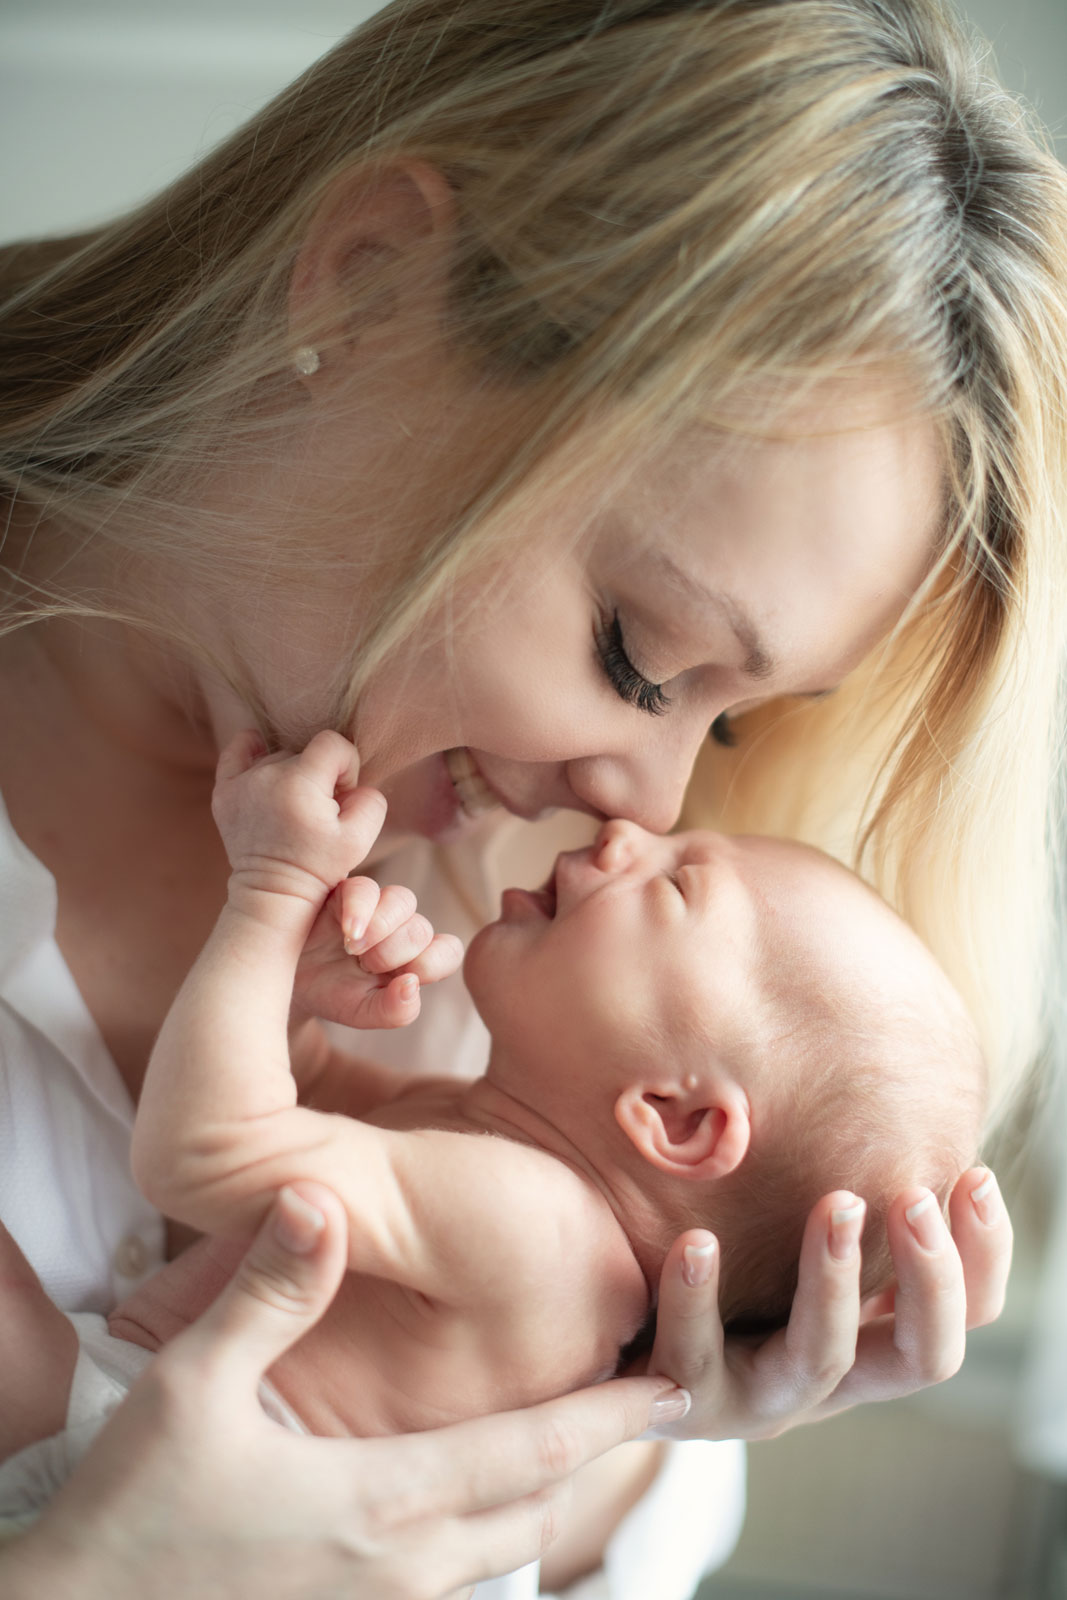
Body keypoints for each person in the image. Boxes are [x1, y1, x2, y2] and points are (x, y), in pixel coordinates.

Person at [1, 0, 1064, 1593]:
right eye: (637, 653)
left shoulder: (520, 957)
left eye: (730, 725)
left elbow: (628, 1545)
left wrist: (647, 1418)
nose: (636, 796)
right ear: (364, 283)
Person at [0, 732, 987, 1526]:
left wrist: (268, 895)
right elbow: (285, 1097)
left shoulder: (531, 1227)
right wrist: (299, 1000)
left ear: (673, 1117)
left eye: (678, 884)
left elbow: (200, 1153)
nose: (626, 836)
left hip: (123, 1476)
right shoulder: (504, 1158)